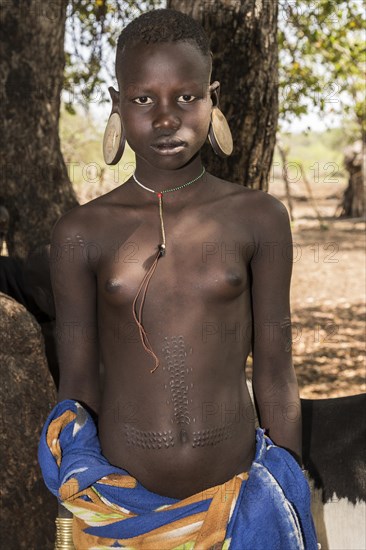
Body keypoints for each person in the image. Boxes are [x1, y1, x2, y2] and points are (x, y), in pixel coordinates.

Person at [38, 8, 318, 550]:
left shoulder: (258, 217)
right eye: (144, 99)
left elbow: (277, 373)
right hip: (119, 514)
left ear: (212, 98)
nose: (167, 118)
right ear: (117, 104)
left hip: (240, 506)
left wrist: (287, 491)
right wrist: (77, 509)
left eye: (186, 97)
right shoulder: (81, 231)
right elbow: (77, 388)